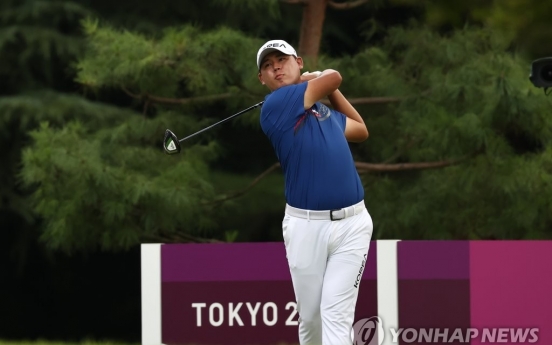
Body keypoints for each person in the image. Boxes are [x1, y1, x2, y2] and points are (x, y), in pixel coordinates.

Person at [256, 39, 374, 345]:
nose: (276, 68)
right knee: (310, 319)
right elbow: (334, 76)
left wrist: (325, 90)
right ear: (262, 80)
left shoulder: (321, 113)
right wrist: (319, 79)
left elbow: (360, 129)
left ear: (298, 61)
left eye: (281, 60)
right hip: (307, 226)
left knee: (336, 315)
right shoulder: (275, 106)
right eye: (267, 66)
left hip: (353, 224)